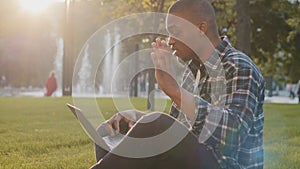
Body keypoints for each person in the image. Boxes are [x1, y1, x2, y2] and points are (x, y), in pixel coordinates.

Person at [91, 0, 265, 168]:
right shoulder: (192, 73)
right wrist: (138, 118)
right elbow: (174, 130)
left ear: (200, 28)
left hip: (225, 164)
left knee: (156, 122)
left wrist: (175, 91)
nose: (170, 41)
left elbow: (234, 134)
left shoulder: (239, 66)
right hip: (196, 159)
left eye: (175, 32)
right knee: (111, 130)